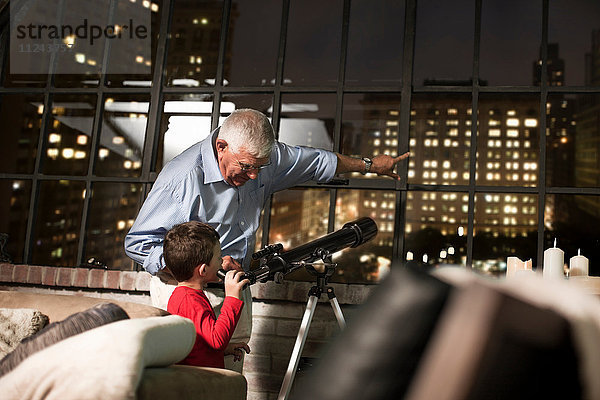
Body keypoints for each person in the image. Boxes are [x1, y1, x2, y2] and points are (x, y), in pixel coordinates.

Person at [124, 108, 409, 371]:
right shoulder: (182, 178)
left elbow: (317, 161)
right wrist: (196, 266)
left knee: (228, 377)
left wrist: (369, 165)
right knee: (186, 381)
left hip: (233, 288)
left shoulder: (262, 160)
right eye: (247, 166)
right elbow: (138, 243)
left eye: (261, 167)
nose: (254, 176)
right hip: (184, 291)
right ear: (221, 147)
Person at [164, 221, 250, 368]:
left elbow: (200, 342)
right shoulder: (190, 301)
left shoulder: (185, 296)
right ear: (203, 270)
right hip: (200, 382)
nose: (222, 261)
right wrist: (232, 298)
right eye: (218, 258)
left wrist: (225, 349)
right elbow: (217, 340)